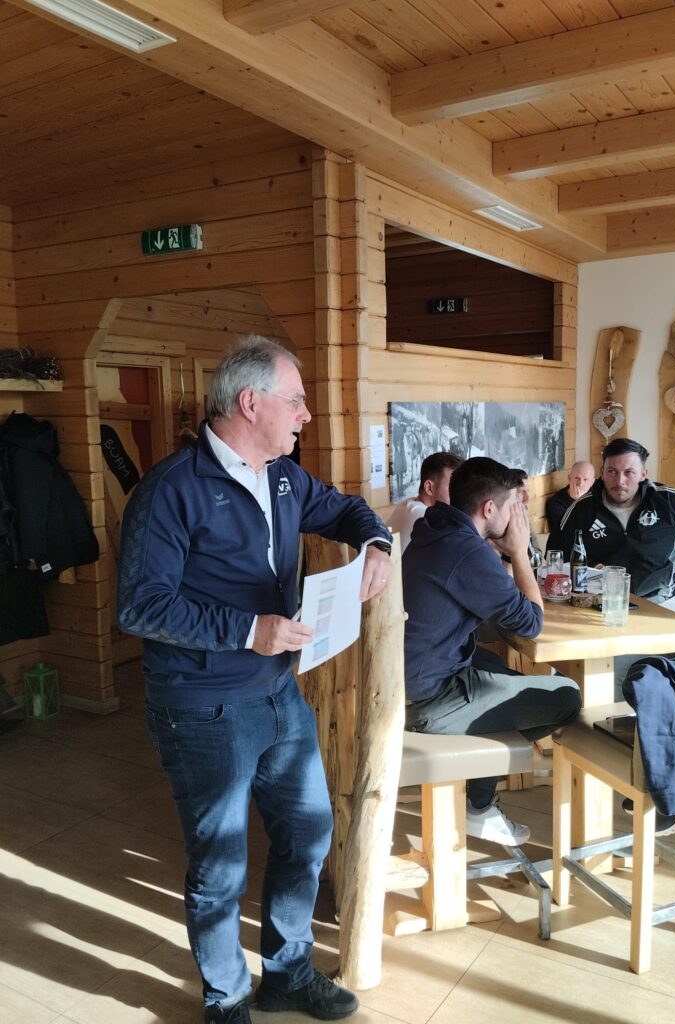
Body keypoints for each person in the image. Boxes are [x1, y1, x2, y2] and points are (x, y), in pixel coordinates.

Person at [117, 336, 393, 1024]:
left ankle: (287, 973)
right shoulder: (171, 489)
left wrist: (377, 542)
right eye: (295, 400)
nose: (305, 415)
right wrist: (248, 630)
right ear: (250, 402)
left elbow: (346, 508)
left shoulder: (284, 477)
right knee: (220, 866)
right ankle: (226, 998)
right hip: (201, 707)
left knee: (307, 834)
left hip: (278, 695)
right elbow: (140, 606)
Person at [402, 457, 581, 846]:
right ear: (488, 509)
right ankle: (479, 807)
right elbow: (530, 622)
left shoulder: (436, 527)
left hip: (410, 681)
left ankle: (478, 801)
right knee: (567, 696)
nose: (518, 516)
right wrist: (518, 551)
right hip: (427, 703)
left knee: (497, 665)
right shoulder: (466, 551)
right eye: (513, 507)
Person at [547, 437, 675, 616]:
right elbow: (558, 554)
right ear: (602, 472)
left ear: (643, 474)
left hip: (663, 600)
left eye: (629, 472)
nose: (619, 481)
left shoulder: (668, 501)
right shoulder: (581, 509)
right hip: (601, 602)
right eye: (612, 471)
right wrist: (594, 566)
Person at [388, 451, 463, 552]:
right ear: (429, 488)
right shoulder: (425, 518)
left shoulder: (408, 505)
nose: (460, 492)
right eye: (452, 485)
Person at [545, 460, 596, 533]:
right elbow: (569, 530)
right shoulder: (556, 502)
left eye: (585, 479)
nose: (580, 483)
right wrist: (578, 502)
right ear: (569, 478)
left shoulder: (597, 495)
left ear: (592, 482)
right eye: (577, 478)